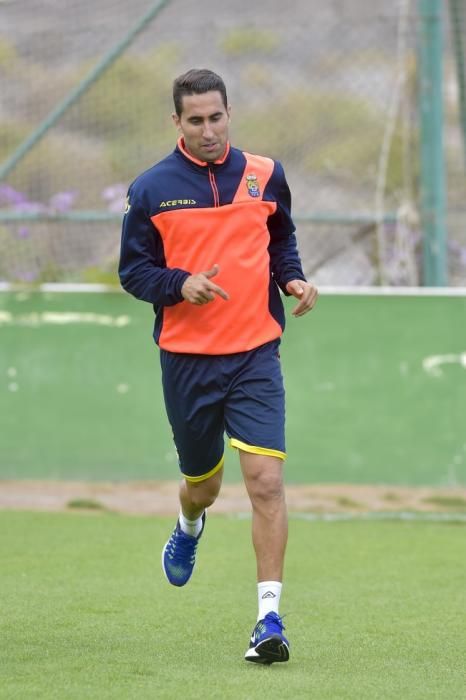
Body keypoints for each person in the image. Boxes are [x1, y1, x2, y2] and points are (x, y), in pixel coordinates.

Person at [118, 68, 318, 665]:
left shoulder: (265, 174)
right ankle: (187, 524)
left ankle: (269, 620)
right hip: (187, 363)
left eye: (217, 117)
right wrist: (181, 284)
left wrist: (293, 278)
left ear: (229, 113)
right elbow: (134, 273)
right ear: (175, 122)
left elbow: (280, 239)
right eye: (195, 120)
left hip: (256, 352)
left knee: (266, 481)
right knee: (205, 485)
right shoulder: (151, 189)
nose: (209, 130)